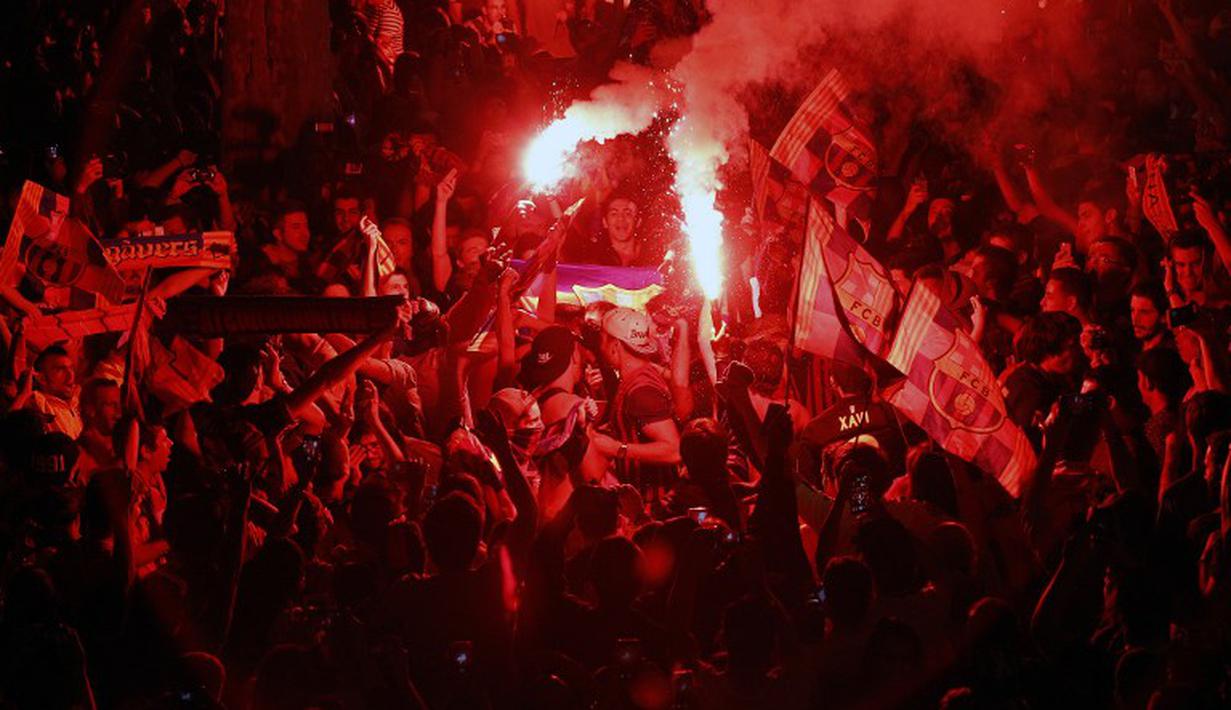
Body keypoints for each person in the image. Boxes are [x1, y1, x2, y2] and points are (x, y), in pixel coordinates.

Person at [589, 308, 680, 492]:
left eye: (603, 340)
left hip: (652, 507)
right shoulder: (639, 377)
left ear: (615, 345)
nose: (600, 347)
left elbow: (673, 450)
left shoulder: (641, 390)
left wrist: (616, 448)